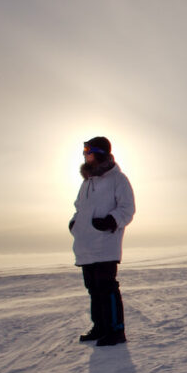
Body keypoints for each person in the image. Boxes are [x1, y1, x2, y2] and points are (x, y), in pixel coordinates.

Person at [69, 136, 136, 346]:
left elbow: (127, 208)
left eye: (88, 152)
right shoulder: (86, 183)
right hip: (85, 245)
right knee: (93, 288)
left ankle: (116, 330)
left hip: (105, 244)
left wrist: (110, 221)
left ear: (98, 153)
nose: (85, 156)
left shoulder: (118, 180)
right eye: (84, 152)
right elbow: (79, 209)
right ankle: (100, 327)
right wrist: (74, 223)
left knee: (107, 287)